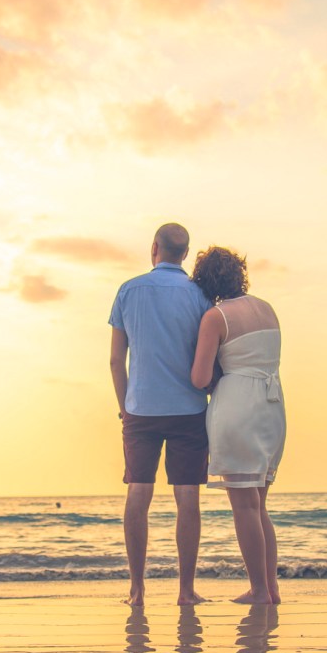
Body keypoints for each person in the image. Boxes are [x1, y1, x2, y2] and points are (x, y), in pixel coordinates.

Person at [109, 222, 212, 606]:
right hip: (188, 407)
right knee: (188, 498)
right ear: (184, 253)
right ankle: (185, 591)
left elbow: (116, 360)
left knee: (139, 493)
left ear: (154, 248)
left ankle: (137, 591)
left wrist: (124, 408)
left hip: (140, 408)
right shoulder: (200, 295)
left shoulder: (128, 290)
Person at [191, 246, 286, 604]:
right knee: (259, 504)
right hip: (272, 405)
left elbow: (200, 377)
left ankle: (259, 590)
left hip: (238, 406)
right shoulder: (267, 309)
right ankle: (270, 587)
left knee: (243, 505)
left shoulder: (216, 317)